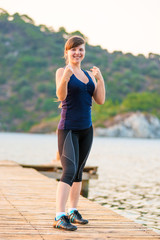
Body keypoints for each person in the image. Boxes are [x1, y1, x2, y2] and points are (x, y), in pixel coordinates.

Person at [53, 35, 105, 231]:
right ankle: (59, 215)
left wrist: (100, 79)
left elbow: (100, 100)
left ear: (84, 52)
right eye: (73, 49)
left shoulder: (89, 75)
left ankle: (73, 211)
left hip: (86, 129)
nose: (77, 52)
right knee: (68, 169)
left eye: (81, 49)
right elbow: (61, 95)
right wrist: (65, 78)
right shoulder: (62, 71)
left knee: (78, 170)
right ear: (67, 52)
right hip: (68, 128)